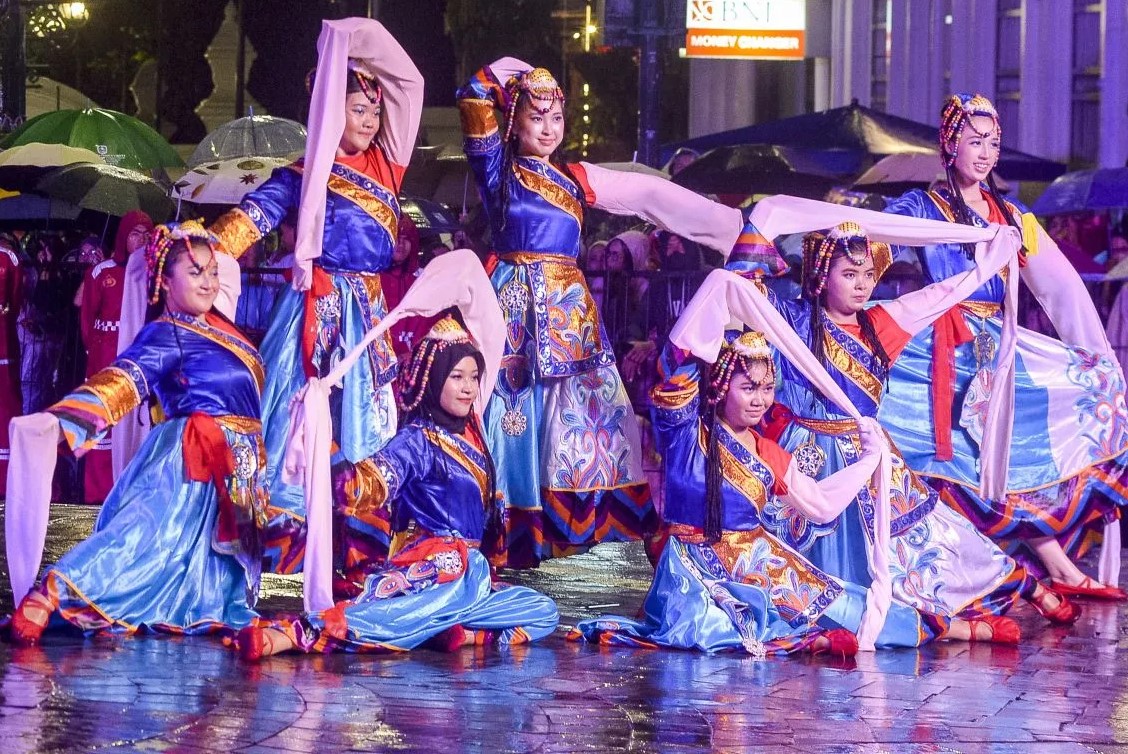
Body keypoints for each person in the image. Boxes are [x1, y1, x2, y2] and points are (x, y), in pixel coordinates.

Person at [572, 272, 1019, 655]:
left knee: (851, 604)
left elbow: (821, 503)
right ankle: (812, 639)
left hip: (758, 558)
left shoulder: (768, 451)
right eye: (748, 389)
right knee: (704, 629)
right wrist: (724, 286)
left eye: (767, 389)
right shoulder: (686, 432)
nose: (760, 400)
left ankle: (954, 630)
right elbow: (680, 357)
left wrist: (870, 461)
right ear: (720, 388)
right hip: (693, 567)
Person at [458, 58, 745, 567]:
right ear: (513, 120)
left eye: (556, 118)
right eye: (535, 116)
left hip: (570, 313)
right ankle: (506, 530)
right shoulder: (496, 170)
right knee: (512, 417)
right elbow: (475, 93)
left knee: (601, 415)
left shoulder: (575, 177)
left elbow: (651, 195)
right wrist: (518, 71)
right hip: (514, 307)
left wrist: (732, 229)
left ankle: (631, 523)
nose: (547, 128)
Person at [762, 220, 1077, 626]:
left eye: (868, 275)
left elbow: (943, 293)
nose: (862, 285)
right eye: (849, 274)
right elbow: (738, 287)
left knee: (932, 536)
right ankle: (903, 623)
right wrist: (767, 222)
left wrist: (996, 256)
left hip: (867, 455)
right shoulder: (793, 320)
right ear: (821, 277)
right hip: (805, 455)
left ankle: (1020, 583)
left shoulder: (880, 324)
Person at [882, 93, 1128, 598]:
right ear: (949, 145)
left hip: (998, 347)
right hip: (942, 349)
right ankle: (985, 576)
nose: (986, 152)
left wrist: (1094, 351)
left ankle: (1051, 567)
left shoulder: (1010, 214)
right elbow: (874, 240)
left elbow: (1058, 284)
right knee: (954, 463)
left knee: (1020, 453)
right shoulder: (921, 206)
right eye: (975, 141)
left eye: (993, 142)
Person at [208, 18, 424, 581]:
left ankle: (364, 542)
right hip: (315, 308)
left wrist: (353, 36)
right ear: (329, 111)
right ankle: (287, 537)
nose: (371, 120)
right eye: (356, 109)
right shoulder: (304, 174)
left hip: (369, 310)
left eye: (374, 112)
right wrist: (203, 251)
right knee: (290, 416)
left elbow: (410, 83)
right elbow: (250, 220)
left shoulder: (388, 165)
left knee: (370, 424)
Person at [235, 316, 559, 660]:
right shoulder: (417, 439)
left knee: (542, 609)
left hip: (472, 575)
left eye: (474, 378)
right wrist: (324, 443)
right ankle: (288, 635)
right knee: (396, 613)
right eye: (456, 377)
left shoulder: (473, 434)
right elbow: (364, 487)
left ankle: (461, 634)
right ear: (432, 381)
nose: (468, 387)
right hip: (431, 567)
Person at [7, 222, 268, 645]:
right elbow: (122, 382)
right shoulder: (167, 333)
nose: (208, 281)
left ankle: (205, 611)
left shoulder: (220, 327)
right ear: (165, 281)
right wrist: (62, 421)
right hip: (189, 465)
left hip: (236, 467)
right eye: (195, 272)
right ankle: (52, 591)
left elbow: (247, 224)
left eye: (212, 272)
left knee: (209, 567)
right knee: (141, 543)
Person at [75, 211, 154, 504]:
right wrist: (95, 353)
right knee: (100, 425)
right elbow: (87, 319)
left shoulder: (153, 272)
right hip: (104, 358)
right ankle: (97, 495)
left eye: (147, 234)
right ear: (122, 236)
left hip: (136, 362)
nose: (142, 240)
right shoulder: (102, 272)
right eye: (135, 233)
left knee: (132, 426)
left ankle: (128, 493)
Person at [0, 233, 22, 496]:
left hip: (3, 341)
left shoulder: (9, 257)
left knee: (5, 403)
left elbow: (15, 302)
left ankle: (4, 476)